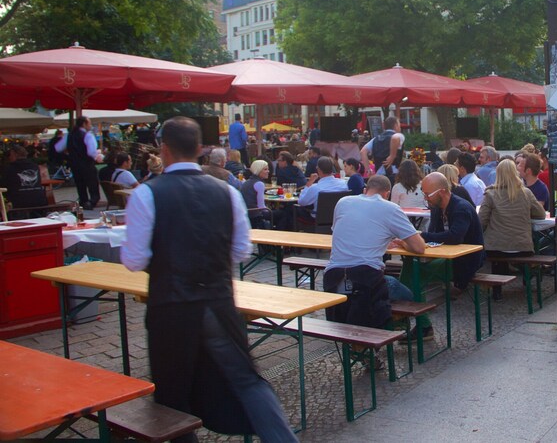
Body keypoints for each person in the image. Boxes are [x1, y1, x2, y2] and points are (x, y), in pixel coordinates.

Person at [121, 117, 296, 441]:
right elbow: (242, 250)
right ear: (200, 149)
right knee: (246, 379)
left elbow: (134, 260)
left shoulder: (147, 194)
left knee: (173, 391)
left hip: (171, 305)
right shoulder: (226, 192)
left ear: (164, 149)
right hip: (217, 299)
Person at [324, 175, 426, 330]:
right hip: (365, 280)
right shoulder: (390, 208)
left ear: (365, 190)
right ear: (387, 194)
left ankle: (392, 327)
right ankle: (407, 326)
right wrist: (401, 242)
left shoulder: (343, 202)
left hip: (333, 278)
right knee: (410, 294)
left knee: (360, 287)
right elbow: (419, 247)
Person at [479, 160, 545, 300]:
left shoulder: (491, 194)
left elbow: (481, 221)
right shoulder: (526, 193)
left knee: (499, 255)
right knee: (512, 250)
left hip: (496, 247)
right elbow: (541, 214)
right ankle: (528, 279)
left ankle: (497, 292)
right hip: (523, 245)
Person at [419, 172, 485, 295]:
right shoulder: (437, 207)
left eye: (428, 195)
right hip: (450, 256)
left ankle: (414, 301)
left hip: (467, 260)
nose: (425, 198)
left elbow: (455, 237)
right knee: (413, 264)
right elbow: (435, 233)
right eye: (424, 194)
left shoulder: (461, 208)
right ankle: (413, 300)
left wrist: (422, 236)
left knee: (417, 268)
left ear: (442, 192)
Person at [56, 116, 101, 210]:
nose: (91, 125)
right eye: (89, 123)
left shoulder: (69, 135)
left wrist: (69, 153)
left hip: (75, 164)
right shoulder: (88, 135)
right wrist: (98, 155)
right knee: (92, 185)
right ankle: (91, 202)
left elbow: (58, 148)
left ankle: (83, 202)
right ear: (84, 124)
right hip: (87, 164)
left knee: (81, 186)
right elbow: (91, 152)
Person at [295, 157, 349, 223]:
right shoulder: (344, 184)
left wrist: (308, 184)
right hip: (338, 217)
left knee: (293, 209)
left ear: (318, 169)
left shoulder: (316, 188)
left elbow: (301, 202)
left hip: (318, 219)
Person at [1, 145, 47, 210]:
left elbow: (4, 186)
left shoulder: (9, 168)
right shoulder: (34, 166)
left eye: (10, 155)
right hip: (39, 201)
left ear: (15, 154)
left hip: (18, 204)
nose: (9, 157)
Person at [360, 116, 404, 181]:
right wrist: (392, 155)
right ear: (396, 125)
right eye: (399, 125)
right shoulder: (398, 136)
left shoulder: (375, 139)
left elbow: (363, 152)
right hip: (395, 174)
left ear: (384, 126)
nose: (400, 128)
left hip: (379, 175)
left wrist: (368, 169)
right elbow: (395, 139)